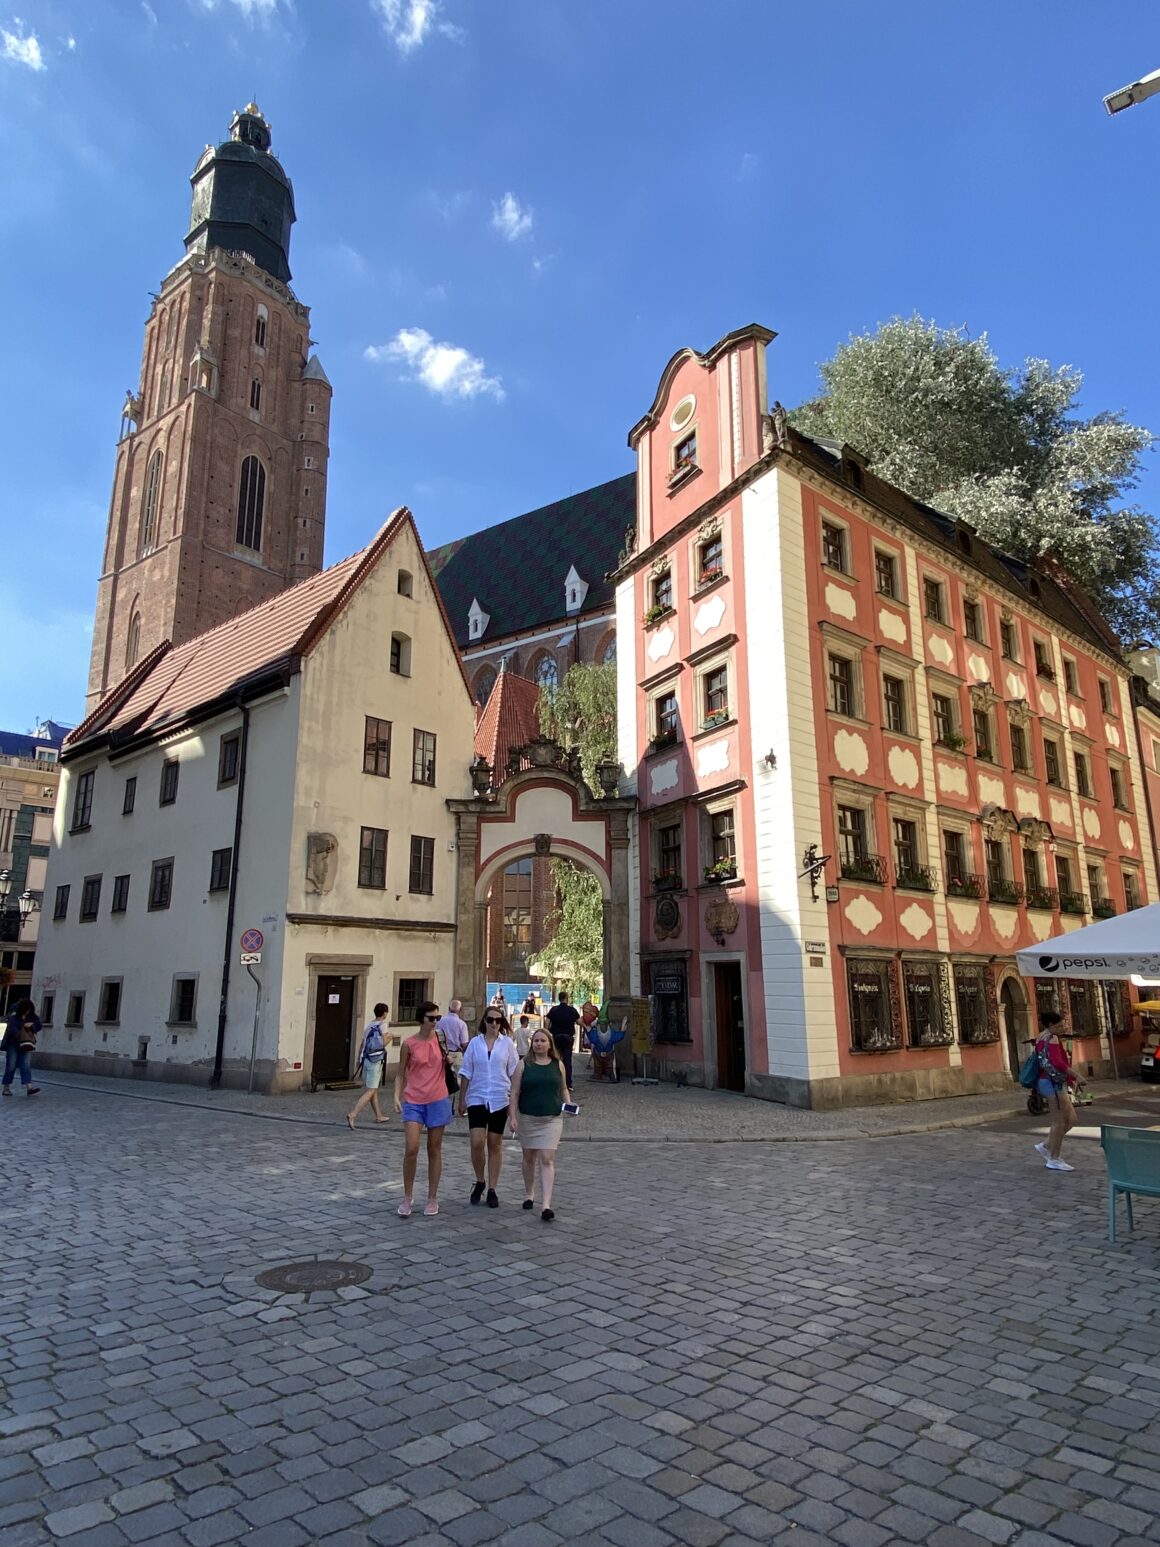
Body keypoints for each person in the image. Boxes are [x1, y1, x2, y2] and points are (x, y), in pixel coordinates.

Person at [394, 1001, 454, 1216]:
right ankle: (407, 1196)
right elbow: (400, 1073)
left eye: (437, 1018)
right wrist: (396, 1096)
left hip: (438, 1099)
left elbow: (451, 1063)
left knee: (434, 1149)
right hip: (413, 1100)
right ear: (422, 1020)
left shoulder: (440, 1040)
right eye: (431, 1018)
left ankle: (432, 1197)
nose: (435, 1022)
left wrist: (451, 1060)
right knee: (411, 1148)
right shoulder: (408, 1044)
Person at [457, 1008, 520, 1207]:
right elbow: (466, 1072)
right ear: (484, 1021)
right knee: (476, 1142)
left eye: (498, 1020)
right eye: (491, 1020)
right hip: (477, 1097)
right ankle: (480, 1180)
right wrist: (462, 1099)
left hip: (499, 1098)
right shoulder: (475, 1044)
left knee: (494, 1143)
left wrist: (514, 1105)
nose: (494, 1024)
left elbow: (514, 1074)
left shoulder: (507, 1044)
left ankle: (492, 1188)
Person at [509, 1027, 570, 1221]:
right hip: (528, 1117)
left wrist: (568, 1104)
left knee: (547, 1157)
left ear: (549, 1043)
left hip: (551, 1119)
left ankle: (546, 1205)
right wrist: (513, 1116)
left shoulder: (557, 1064)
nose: (539, 1044)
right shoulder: (523, 1064)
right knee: (529, 1156)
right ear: (531, 1044)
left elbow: (563, 1088)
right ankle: (529, 1193)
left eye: (543, 1041)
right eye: (536, 1041)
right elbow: (515, 1093)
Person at [1034, 1012, 1082, 1172]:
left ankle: (1047, 1145)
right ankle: (1054, 1158)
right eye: (1059, 1025)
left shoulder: (1041, 1037)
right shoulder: (1051, 1038)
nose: (1062, 1028)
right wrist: (1076, 1075)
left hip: (1050, 1082)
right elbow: (1057, 1062)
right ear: (1050, 1025)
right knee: (1059, 1121)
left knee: (1071, 1119)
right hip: (1052, 1082)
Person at [346, 1002, 390, 1128]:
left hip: (365, 1058)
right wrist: (390, 1038)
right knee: (371, 1090)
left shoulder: (369, 1025)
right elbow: (383, 1043)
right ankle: (353, 1114)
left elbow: (363, 1043)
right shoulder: (383, 1025)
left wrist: (358, 1059)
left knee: (373, 1088)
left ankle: (379, 1115)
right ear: (385, 1013)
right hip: (375, 1060)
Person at [1, 999, 41, 1098]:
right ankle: (6, 1087)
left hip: (27, 1044)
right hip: (13, 1044)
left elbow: (39, 1025)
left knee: (26, 1065)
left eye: (29, 1010)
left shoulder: (32, 1017)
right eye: (26, 1010)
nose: (27, 1012)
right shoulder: (14, 1018)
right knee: (11, 1065)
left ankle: (29, 1087)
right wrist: (22, 1030)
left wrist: (32, 1026)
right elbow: (12, 1029)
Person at [545, 991, 581, 1087]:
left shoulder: (554, 1010)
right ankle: (568, 1084)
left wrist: (548, 1031)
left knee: (556, 1059)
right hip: (568, 1037)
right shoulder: (572, 1010)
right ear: (567, 998)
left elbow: (547, 1022)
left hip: (556, 1037)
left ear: (559, 998)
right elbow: (579, 1022)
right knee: (567, 1061)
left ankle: (555, 1082)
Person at [436, 999, 470, 1075]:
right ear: (460, 1010)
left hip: (441, 1054)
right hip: (456, 1055)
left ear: (449, 1008)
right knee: (457, 1081)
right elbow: (464, 1044)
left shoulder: (439, 1021)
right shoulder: (462, 1024)